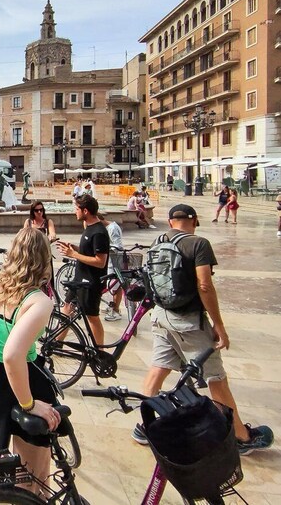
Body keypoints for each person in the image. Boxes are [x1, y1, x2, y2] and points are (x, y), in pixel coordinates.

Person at [133, 204, 274, 455]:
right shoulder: (198, 244)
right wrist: (218, 324)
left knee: (159, 368)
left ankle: (145, 426)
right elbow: (205, 285)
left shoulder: (158, 241)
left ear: (169, 221)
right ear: (195, 220)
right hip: (189, 321)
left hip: (161, 316)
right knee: (216, 378)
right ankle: (240, 437)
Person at [0, 227, 62, 496]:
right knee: (33, 478)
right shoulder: (39, 301)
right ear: (44, 259)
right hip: (27, 380)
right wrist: (29, 403)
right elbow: (13, 355)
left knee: (10, 465)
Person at [56, 195, 110, 346]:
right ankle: (57, 341)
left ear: (85, 211)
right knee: (67, 307)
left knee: (92, 316)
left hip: (90, 282)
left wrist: (73, 254)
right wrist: (75, 248)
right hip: (79, 280)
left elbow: (100, 262)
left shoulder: (99, 232)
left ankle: (99, 351)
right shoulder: (89, 228)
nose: (75, 212)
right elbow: (89, 253)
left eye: (76, 209)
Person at [98, 214, 124, 322]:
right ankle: (113, 307)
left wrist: (104, 248)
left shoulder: (112, 229)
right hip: (112, 261)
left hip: (115, 261)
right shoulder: (111, 227)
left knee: (115, 286)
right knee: (112, 285)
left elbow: (118, 246)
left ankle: (116, 310)